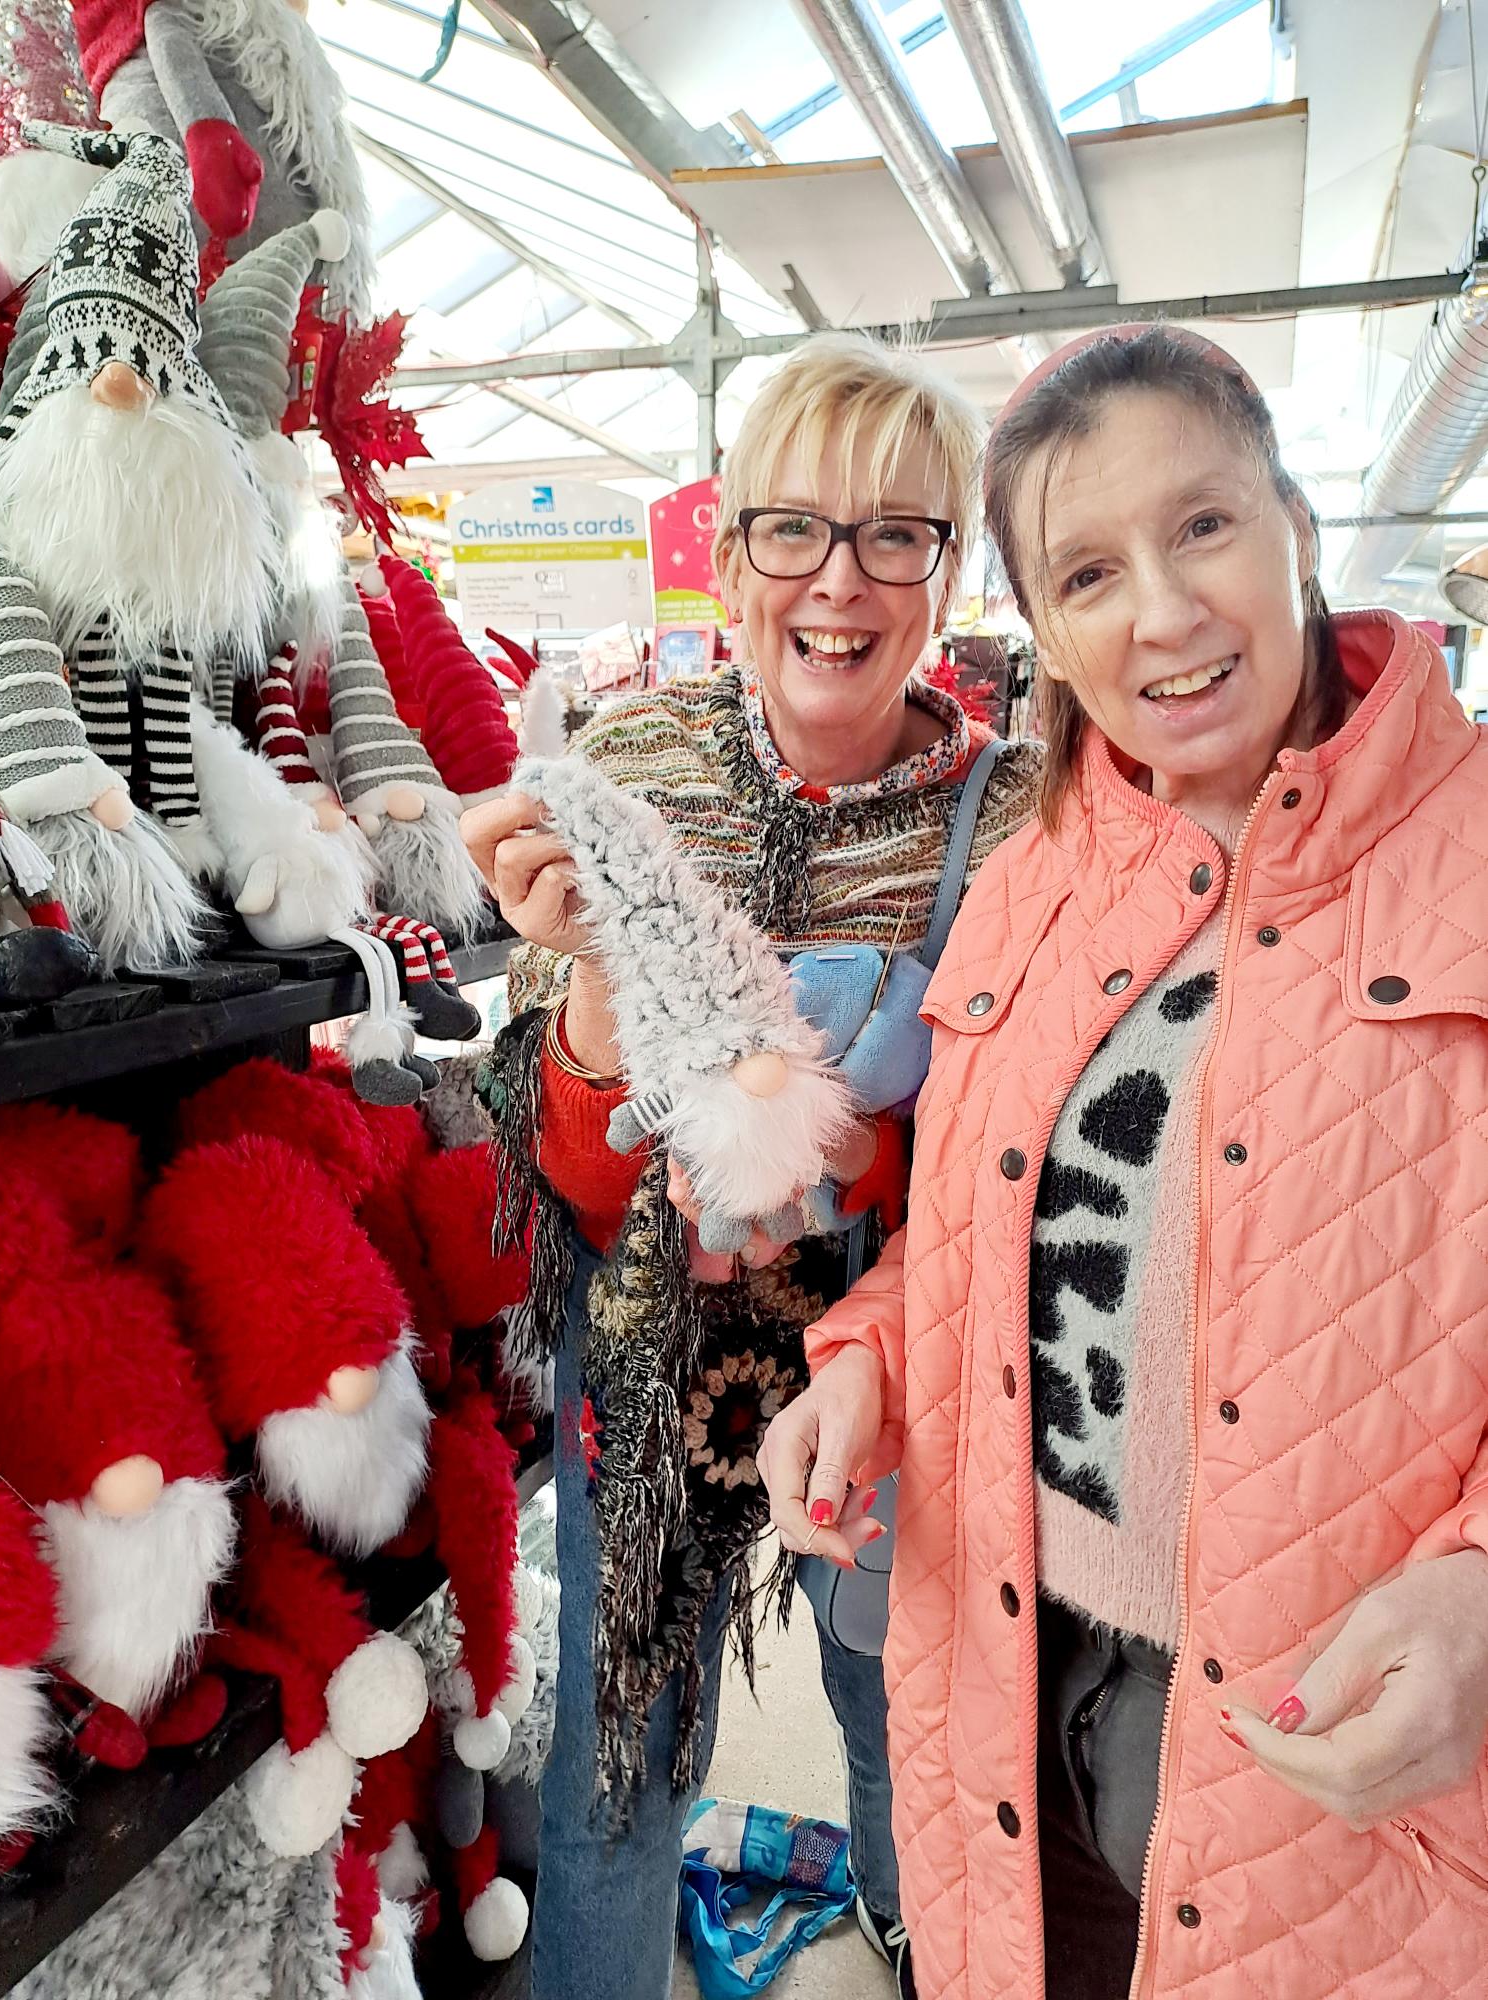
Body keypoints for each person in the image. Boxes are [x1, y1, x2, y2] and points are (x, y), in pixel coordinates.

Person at [759, 323, 1488, 2000]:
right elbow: (961, 1242)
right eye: (1090, 571)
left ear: (1296, 520)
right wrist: (865, 1367)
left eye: (1205, 528)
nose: (1160, 612)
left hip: (1330, 1779)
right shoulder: (1032, 880)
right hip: (1007, 1701)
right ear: (1044, 630)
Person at [462, 330, 1040, 2000]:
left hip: (907, 1367)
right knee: (618, 1774)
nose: (839, 581)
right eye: (794, 528)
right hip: (648, 1361)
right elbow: (565, 1189)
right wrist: (582, 1000)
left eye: (896, 535)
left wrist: (863, 1162)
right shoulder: (622, 776)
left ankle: (917, 1952)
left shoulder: (1011, 824)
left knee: (913, 1731)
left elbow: (1014, 1157)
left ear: (948, 575)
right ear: (728, 558)